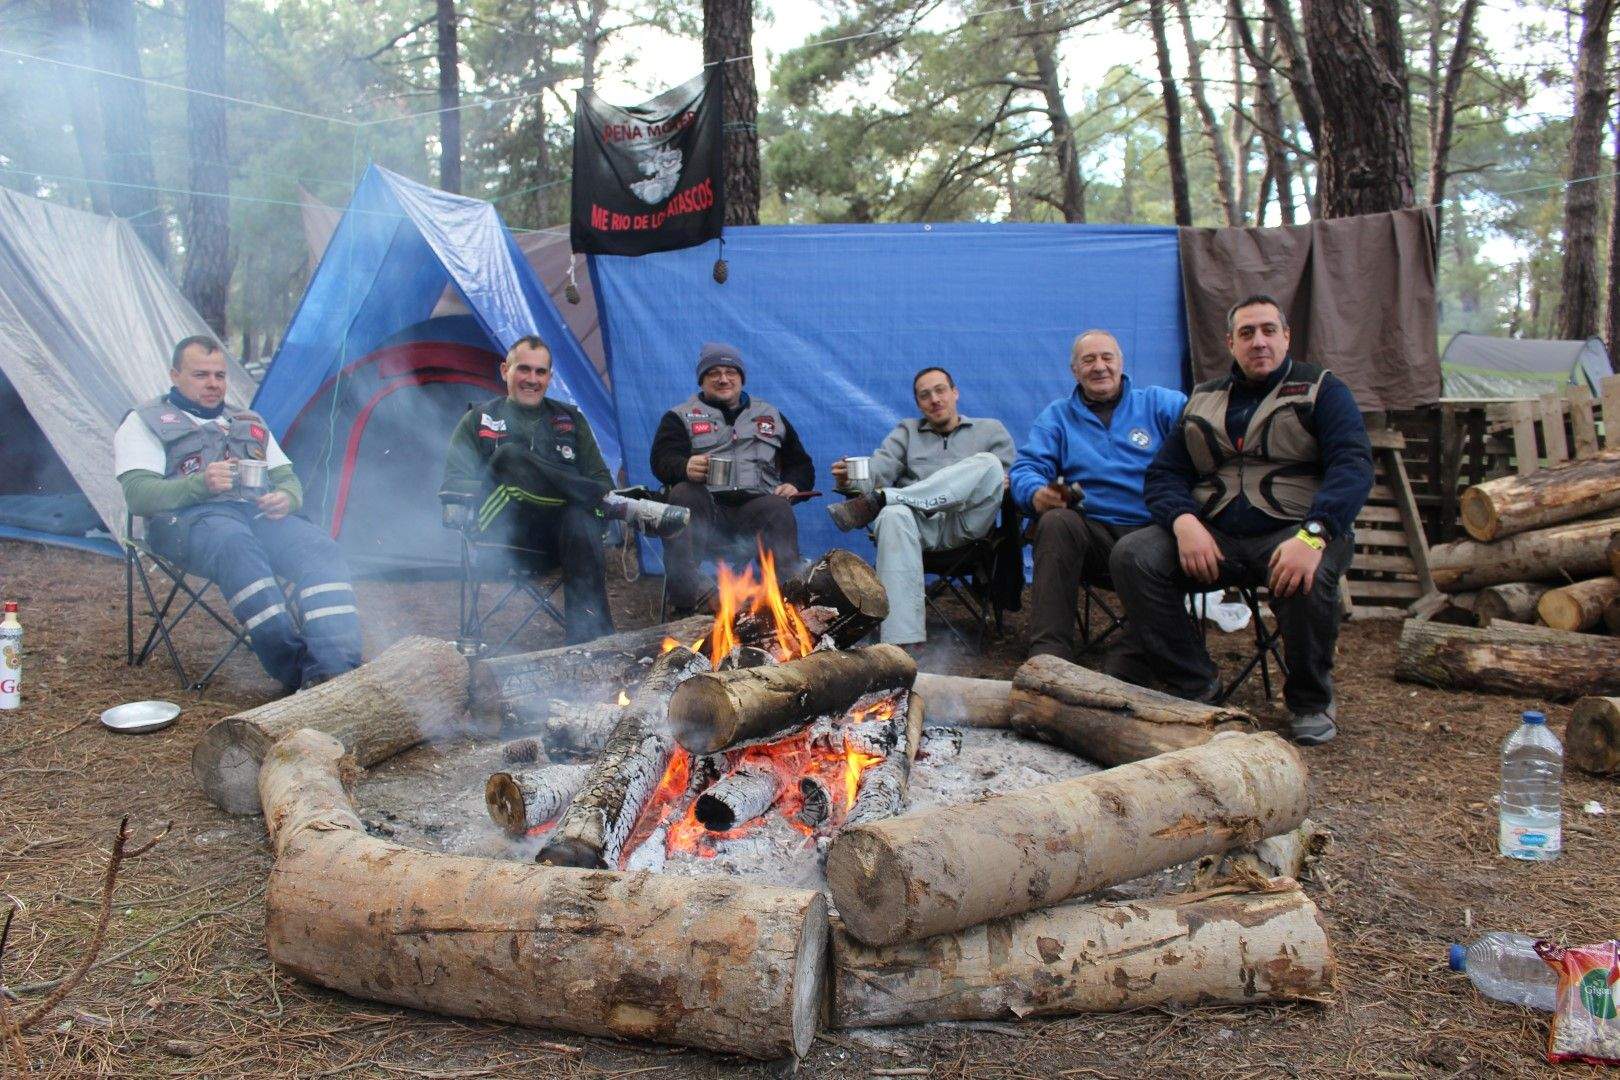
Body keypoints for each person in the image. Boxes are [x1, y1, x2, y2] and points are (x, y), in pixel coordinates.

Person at [1108, 294, 1373, 745]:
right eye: (1247, 333)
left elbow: (1353, 466)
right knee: (1133, 556)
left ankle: (1310, 699)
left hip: (1297, 529)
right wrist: (1184, 521)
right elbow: (1165, 474)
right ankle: (1194, 683)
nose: (1259, 341)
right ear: (1230, 343)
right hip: (1216, 534)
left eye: (1269, 330)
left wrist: (1314, 535)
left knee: (1306, 575)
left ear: (1286, 336)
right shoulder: (1204, 397)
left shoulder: (1323, 389)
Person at [114, 336, 362, 691]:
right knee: (236, 545)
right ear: (174, 375)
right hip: (184, 524)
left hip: (253, 517)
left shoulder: (248, 421)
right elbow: (138, 496)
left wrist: (286, 499)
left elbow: (287, 478)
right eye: (200, 375)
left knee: (319, 548)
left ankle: (335, 669)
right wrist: (200, 484)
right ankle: (295, 670)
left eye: (219, 375)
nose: (213, 384)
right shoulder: (146, 422)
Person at [441, 336, 683, 644]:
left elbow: (600, 480)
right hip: (502, 533)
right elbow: (454, 485)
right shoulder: (478, 420)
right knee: (509, 457)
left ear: (549, 378)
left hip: (562, 540)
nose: (532, 379)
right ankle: (622, 507)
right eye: (523, 369)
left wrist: (577, 492)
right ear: (505, 370)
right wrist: (499, 478)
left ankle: (590, 647)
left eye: (540, 372)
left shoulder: (569, 419)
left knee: (580, 518)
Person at [1007, 329, 1187, 663]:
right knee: (1056, 522)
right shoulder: (1057, 416)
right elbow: (1026, 468)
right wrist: (1036, 493)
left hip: (1156, 533)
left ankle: (1143, 656)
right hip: (1095, 536)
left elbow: (1204, 435)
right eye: (1088, 360)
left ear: (1122, 362)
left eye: (1107, 357)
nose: (1099, 367)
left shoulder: (1161, 404)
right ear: (1074, 371)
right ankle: (1048, 657)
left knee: (1144, 547)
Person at [825, 367, 1015, 648]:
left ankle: (887, 497)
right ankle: (900, 645)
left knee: (989, 463)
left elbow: (1002, 481)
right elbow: (878, 469)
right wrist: (851, 478)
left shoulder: (990, 430)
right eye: (925, 395)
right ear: (918, 403)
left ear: (955, 392)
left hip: (967, 524)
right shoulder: (907, 433)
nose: (934, 399)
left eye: (940, 390)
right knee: (892, 514)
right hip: (917, 526)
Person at [650, 341, 815, 612]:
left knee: (777, 507)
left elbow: (802, 465)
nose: (723, 379)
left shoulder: (770, 416)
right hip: (706, 518)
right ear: (702, 380)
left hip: (753, 518)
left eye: (731, 372)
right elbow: (661, 460)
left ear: (741, 378)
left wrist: (793, 484)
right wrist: (684, 467)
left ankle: (788, 606)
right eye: (714, 372)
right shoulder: (679, 416)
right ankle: (689, 605)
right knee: (683, 494)